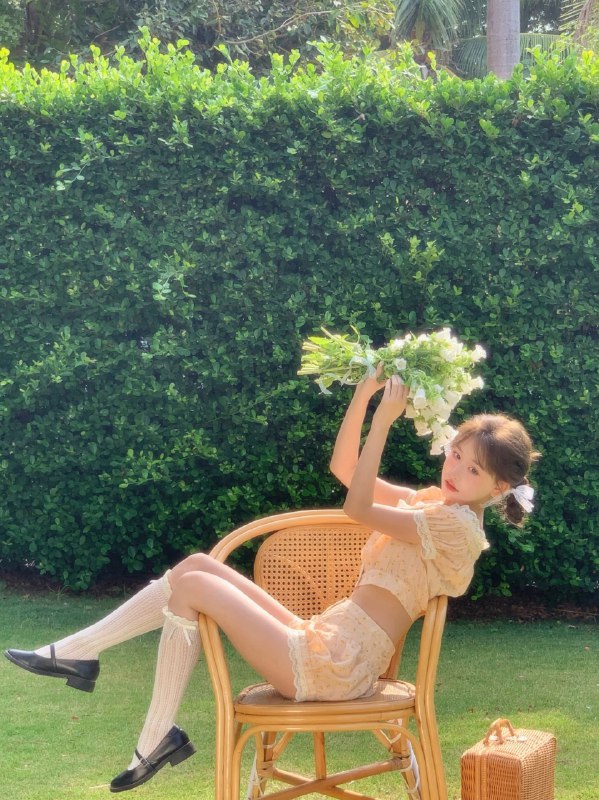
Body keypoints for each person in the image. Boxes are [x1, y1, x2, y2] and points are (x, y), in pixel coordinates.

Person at [4, 373, 538, 793]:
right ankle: (98, 673)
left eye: (472, 470)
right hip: (329, 637)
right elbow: (344, 469)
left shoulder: (454, 529)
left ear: (500, 488)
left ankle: (128, 704)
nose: (455, 471)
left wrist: (383, 424)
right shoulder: (437, 504)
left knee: (192, 587)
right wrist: (365, 396)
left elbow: (356, 507)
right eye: (455, 455)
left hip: (339, 665)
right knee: (194, 567)